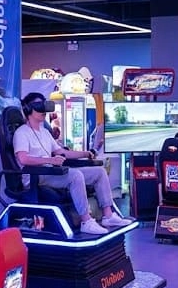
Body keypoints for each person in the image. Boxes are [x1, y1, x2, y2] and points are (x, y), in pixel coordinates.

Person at [15, 92, 131, 235]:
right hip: (36, 177)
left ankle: (108, 216)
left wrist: (85, 154)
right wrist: (49, 160)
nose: (44, 111)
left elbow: (61, 152)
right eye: (39, 106)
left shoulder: (44, 132)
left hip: (51, 172)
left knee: (99, 172)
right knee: (75, 175)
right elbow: (23, 159)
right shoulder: (21, 133)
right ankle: (86, 221)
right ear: (28, 109)